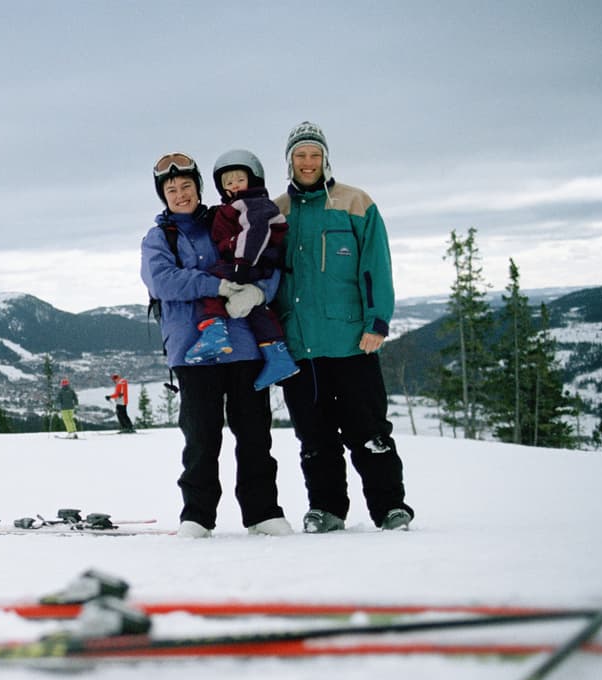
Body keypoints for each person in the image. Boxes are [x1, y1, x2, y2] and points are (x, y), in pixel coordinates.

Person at [140, 151, 292, 538]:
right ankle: (197, 516)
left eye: (186, 186)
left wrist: (258, 293)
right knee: (202, 437)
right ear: (164, 196)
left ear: (198, 188)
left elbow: (267, 263)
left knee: (254, 433)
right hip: (193, 350)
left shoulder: (228, 218)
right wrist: (217, 285)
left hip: (243, 344)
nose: (180, 194)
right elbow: (162, 282)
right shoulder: (160, 237)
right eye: (171, 189)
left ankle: (263, 512)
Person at [273, 121, 415, 532]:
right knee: (315, 439)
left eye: (314, 154)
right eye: (300, 155)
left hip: (353, 341)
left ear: (325, 159)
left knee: (369, 431)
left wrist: (378, 321)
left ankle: (389, 506)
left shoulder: (356, 203)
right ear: (290, 161)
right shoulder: (278, 211)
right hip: (301, 348)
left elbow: (376, 267)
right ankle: (327, 509)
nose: (307, 162)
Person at [185, 149, 301, 392]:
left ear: (254, 179)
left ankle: (214, 330)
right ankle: (277, 355)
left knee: (209, 282)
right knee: (257, 310)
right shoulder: (236, 206)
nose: (235, 186)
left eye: (240, 179)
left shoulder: (254, 204)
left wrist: (242, 263)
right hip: (256, 266)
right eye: (228, 182)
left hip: (251, 264)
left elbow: (254, 233)